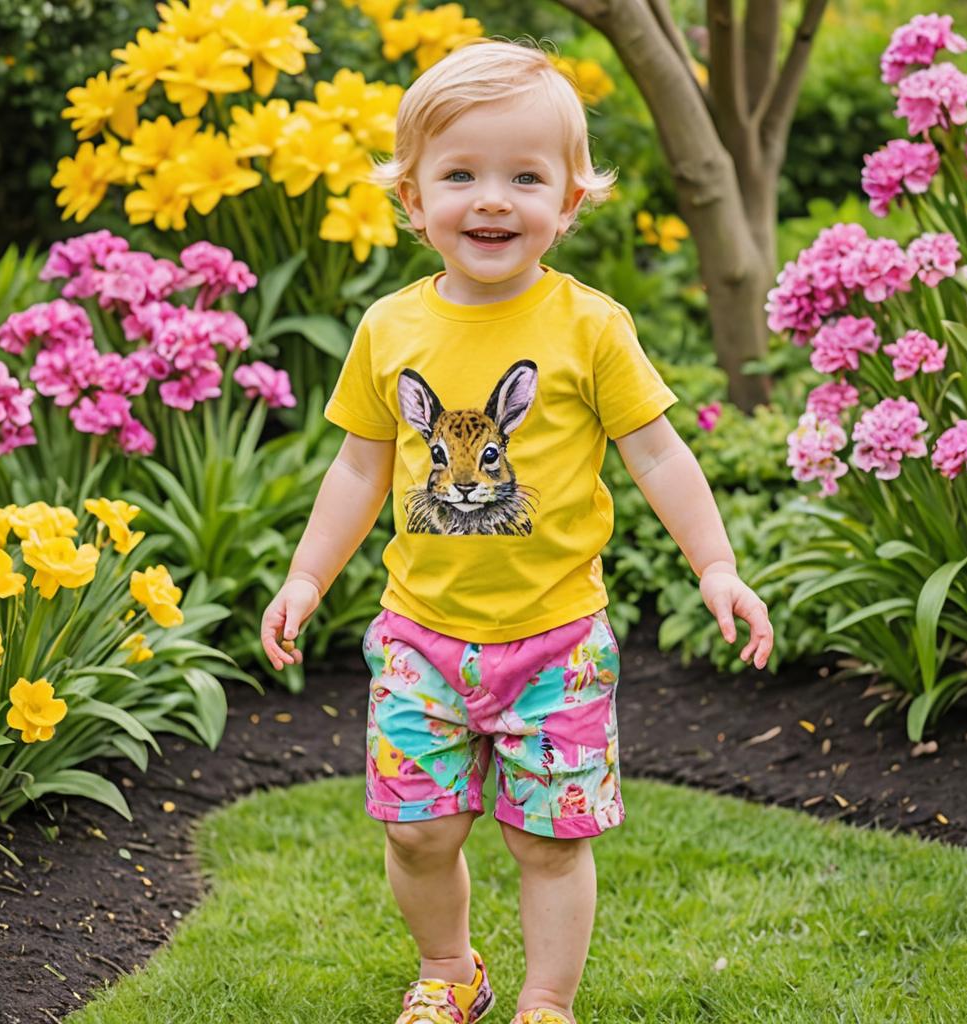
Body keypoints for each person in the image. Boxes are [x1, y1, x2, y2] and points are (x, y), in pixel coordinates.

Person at [261, 36, 774, 1024]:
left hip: (557, 643)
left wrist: (716, 564)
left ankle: (546, 999)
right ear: (413, 199)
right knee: (419, 833)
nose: (491, 199)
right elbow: (360, 466)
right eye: (459, 174)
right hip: (420, 637)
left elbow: (660, 455)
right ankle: (451, 971)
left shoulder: (589, 328)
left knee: (548, 840)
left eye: (524, 176)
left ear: (568, 202)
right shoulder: (390, 330)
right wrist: (304, 578)